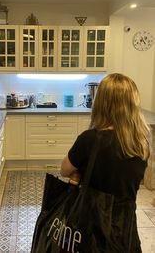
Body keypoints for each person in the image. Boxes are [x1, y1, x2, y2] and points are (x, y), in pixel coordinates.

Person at [60, 73, 151, 252]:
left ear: (101, 103)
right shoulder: (142, 144)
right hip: (125, 228)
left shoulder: (90, 139)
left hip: (92, 227)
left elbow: (64, 170)